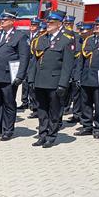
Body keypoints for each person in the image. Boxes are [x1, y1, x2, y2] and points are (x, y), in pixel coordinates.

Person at [28, 10, 75, 148]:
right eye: (47, 22)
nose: (48, 24)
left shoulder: (66, 40)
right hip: (40, 81)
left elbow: (67, 65)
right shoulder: (42, 38)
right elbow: (34, 61)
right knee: (42, 110)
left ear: (59, 24)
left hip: (55, 82)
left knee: (54, 111)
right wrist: (31, 79)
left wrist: (63, 84)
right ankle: (42, 134)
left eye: (51, 22)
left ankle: (51, 136)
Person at [0, 11, 29, 141]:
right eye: (0, 20)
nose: (1, 22)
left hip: (9, 76)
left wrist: (20, 76)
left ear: (12, 21)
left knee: (8, 103)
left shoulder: (20, 36)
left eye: (4, 20)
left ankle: (8, 130)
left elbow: (24, 57)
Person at [66, 22, 93, 124]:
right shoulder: (76, 40)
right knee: (76, 95)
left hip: (88, 72)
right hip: (76, 71)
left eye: (84, 30)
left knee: (86, 97)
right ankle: (76, 114)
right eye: (80, 30)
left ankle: (85, 117)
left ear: (90, 31)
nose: (81, 32)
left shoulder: (91, 41)